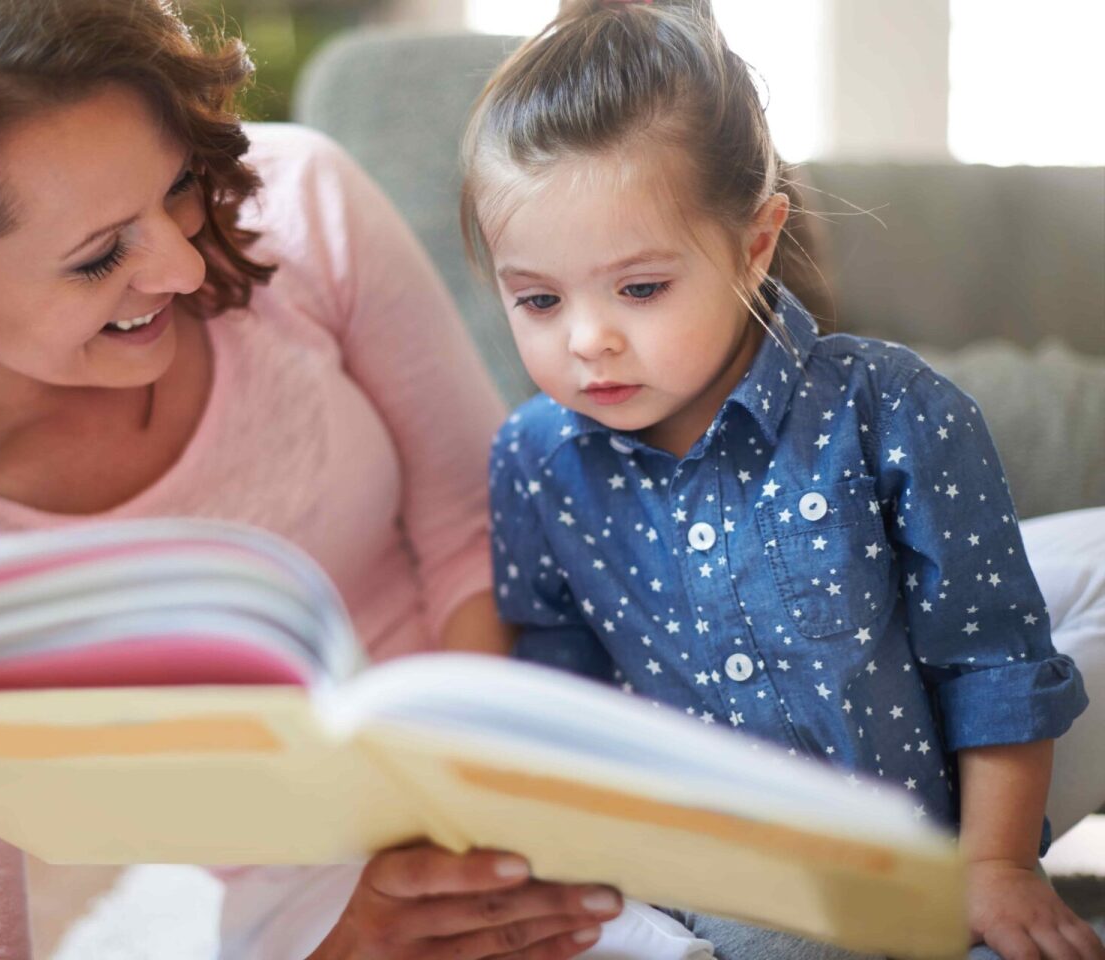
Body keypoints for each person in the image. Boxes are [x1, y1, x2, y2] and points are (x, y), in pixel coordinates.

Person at [0, 0, 721, 957]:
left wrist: (472, 823)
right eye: (99, 257)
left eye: (176, 185)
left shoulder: (299, 206)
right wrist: (347, 942)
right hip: (309, 889)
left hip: (526, 734)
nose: (185, 271)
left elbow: (477, 527)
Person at [468, 1, 1105, 958]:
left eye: (640, 288)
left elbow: (993, 663)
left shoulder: (895, 412)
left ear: (757, 242)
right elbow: (561, 677)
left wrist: (997, 868)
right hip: (693, 870)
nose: (587, 338)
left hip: (912, 856)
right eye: (538, 299)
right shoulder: (535, 459)